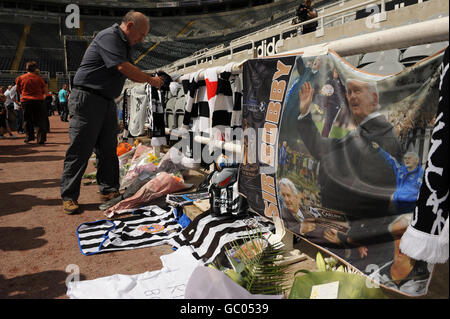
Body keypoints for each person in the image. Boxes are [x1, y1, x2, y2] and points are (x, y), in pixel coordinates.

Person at [60, 10, 164, 215]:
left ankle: (108, 190)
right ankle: (69, 195)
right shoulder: (109, 36)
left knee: (108, 149)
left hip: (105, 100)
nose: (142, 39)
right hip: (88, 98)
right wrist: (150, 79)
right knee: (80, 148)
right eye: (141, 34)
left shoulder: (123, 43)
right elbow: (123, 67)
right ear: (130, 26)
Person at [296, 78, 403, 258]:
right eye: (349, 92)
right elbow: (323, 149)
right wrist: (305, 113)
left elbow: (372, 197)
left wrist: (348, 235)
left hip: (362, 245)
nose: (351, 96)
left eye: (357, 91)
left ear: (375, 99)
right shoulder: (365, 131)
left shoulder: (382, 135)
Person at [372, 142, 424, 214]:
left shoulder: (421, 175)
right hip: (396, 207)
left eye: (409, 158)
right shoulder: (401, 169)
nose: (406, 160)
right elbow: (391, 160)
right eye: (405, 158)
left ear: (417, 160)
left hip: (409, 210)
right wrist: (379, 149)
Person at [15, 61, 48, 144]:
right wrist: (42, 98)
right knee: (40, 120)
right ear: (35, 68)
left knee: (27, 119)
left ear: (26, 68)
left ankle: (29, 137)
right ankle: (41, 139)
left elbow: (17, 90)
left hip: (26, 101)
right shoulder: (39, 79)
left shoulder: (20, 78)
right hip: (38, 100)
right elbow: (45, 91)